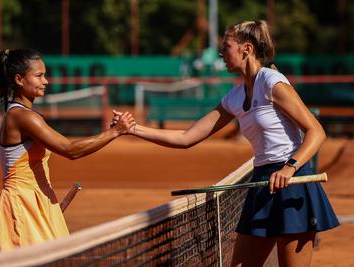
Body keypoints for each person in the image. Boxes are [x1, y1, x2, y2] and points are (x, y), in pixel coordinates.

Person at [112, 20, 339, 266]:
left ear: (247, 49)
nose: (221, 53)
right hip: (262, 183)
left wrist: (290, 167)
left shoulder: (273, 83)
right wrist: (132, 129)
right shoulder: (235, 96)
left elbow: (316, 131)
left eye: (226, 46)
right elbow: (186, 138)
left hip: (293, 183)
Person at [0, 48, 135, 250]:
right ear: (19, 79)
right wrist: (115, 132)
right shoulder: (22, 117)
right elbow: (70, 150)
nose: (46, 81)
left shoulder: (25, 115)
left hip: (39, 202)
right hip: (21, 205)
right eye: (39, 76)